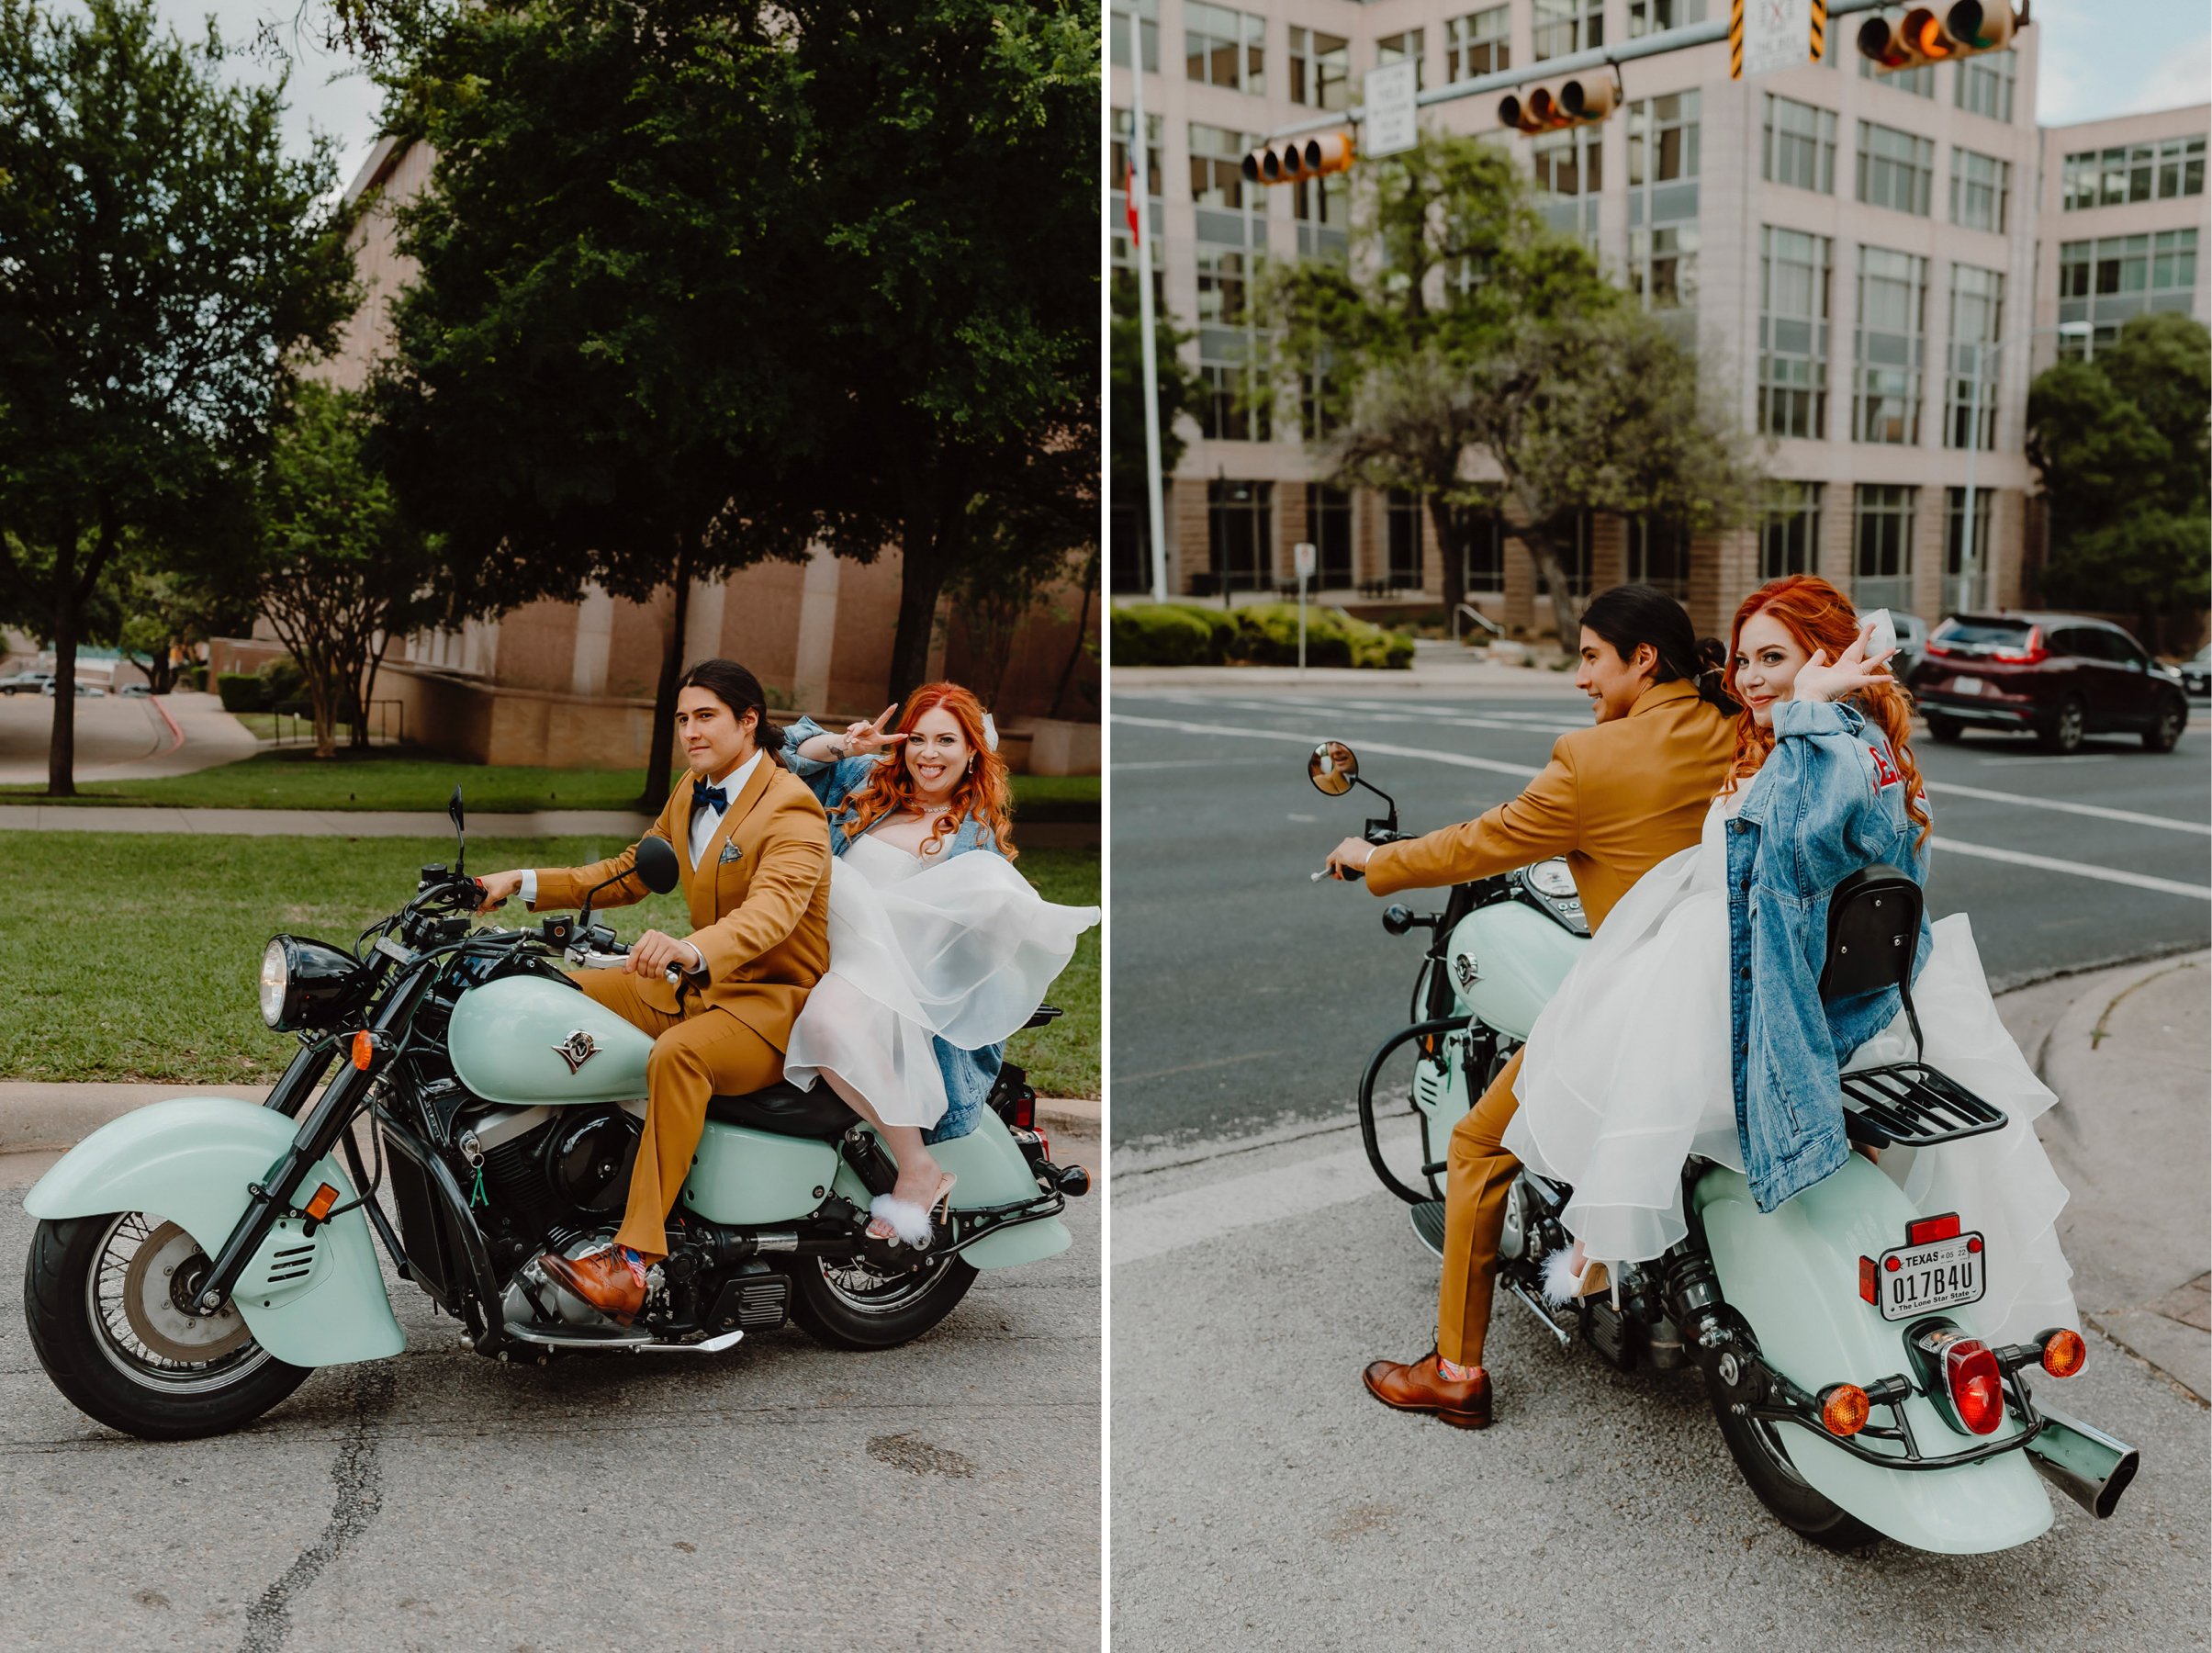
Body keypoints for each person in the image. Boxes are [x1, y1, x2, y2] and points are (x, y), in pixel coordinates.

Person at [1506, 575, 2076, 1345]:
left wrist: (1809, 703)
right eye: (1743, 660)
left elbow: (1797, 857)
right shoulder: (1855, 748)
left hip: (1760, 977)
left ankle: (1618, 1252)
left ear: (1826, 659)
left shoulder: (1824, 747)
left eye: (1773, 657)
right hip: (1844, 986)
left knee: (1610, 1066)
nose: (1750, 679)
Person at [1330, 585, 1739, 1431]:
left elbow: (1481, 841)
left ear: (1642, 659)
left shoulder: (1594, 761)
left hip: (1643, 1004)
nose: (1580, 678)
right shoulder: (1734, 729)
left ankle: (1454, 1371)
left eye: (1591, 656)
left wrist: (1374, 859)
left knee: (1479, 1145)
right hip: (1735, 996)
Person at [473, 658, 831, 1321]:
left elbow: (772, 913)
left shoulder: (792, 808)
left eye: (706, 717)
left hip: (774, 1005)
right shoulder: (692, 788)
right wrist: (517, 880)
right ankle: (531, 1190)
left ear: (748, 721)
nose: (691, 733)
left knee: (680, 1057)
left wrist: (692, 948)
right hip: (698, 986)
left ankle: (634, 1261)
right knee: (543, 993)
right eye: (683, 720)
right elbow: (625, 875)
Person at [780, 682, 1099, 1247]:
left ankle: (916, 1165)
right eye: (918, 739)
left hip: (889, 977)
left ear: (972, 750)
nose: (929, 754)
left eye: (946, 740)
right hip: (809, 954)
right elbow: (780, 754)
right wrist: (844, 745)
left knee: (825, 1026)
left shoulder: (973, 839)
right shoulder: (862, 784)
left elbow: (982, 926)